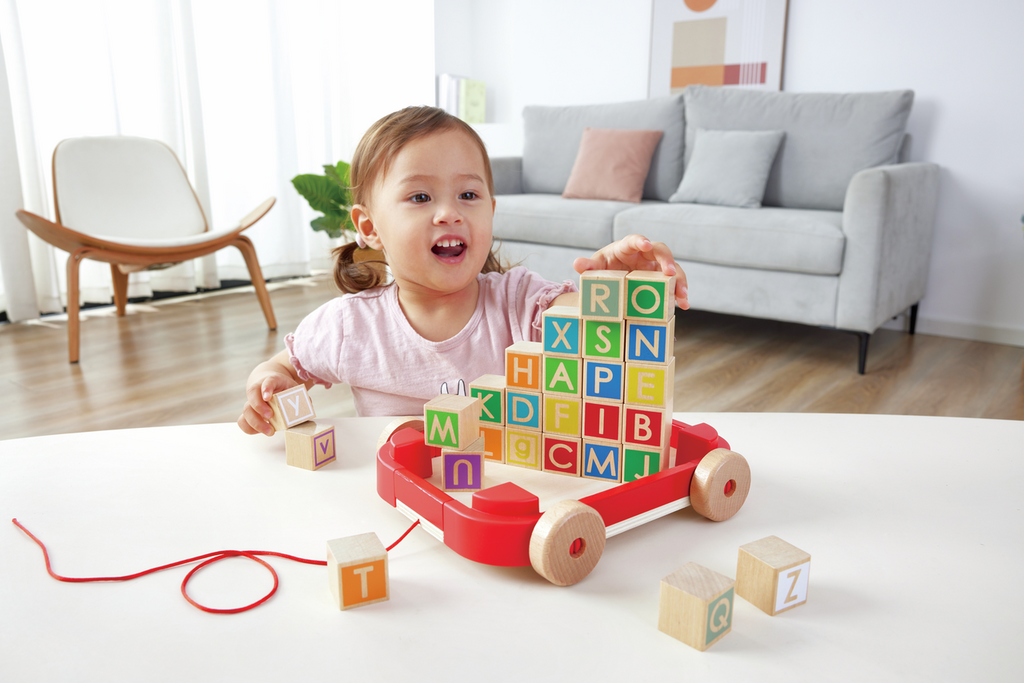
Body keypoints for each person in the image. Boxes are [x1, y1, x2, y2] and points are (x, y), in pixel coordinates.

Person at [238, 105, 688, 436]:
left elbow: (593, 322)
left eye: (468, 196)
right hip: (400, 496)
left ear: (491, 212)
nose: (449, 214)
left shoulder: (520, 302)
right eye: (420, 198)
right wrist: (268, 383)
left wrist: (621, 286)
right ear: (370, 227)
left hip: (505, 488)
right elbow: (287, 367)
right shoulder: (348, 326)